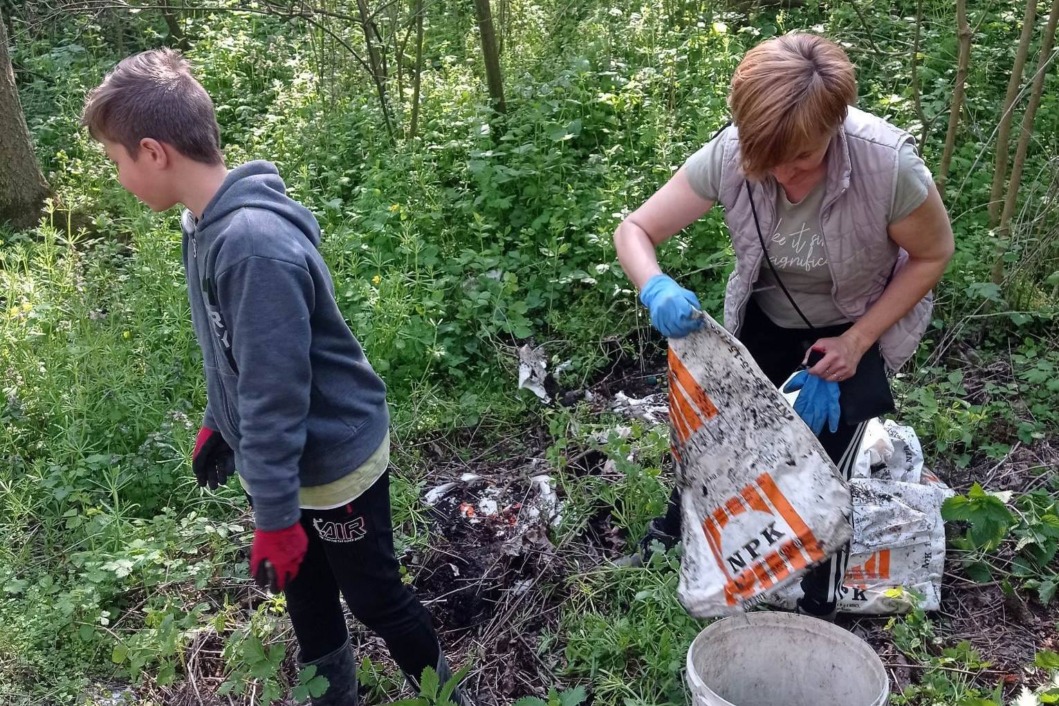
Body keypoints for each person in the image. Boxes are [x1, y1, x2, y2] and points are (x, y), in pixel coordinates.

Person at [82, 49, 472, 705]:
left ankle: (448, 696)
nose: (118, 177)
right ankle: (332, 696)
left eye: (116, 161)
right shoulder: (204, 226)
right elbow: (232, 350)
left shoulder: (251, 243)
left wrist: (274, 515)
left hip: (333, 459)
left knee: (374, 596)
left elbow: (275, 395)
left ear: (152, 151)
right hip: (288, 466)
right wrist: (219, 421)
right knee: (307, 594)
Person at [613, 32, 954, 619]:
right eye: (768, 162)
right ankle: (676, 532)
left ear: (835, 125)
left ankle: (816, 601)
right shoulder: (728, 155)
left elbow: (933, 254)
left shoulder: (887, 166)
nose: (788, 177)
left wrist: (856, 342)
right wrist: (655, 286)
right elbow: (634, 231)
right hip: (766, 320)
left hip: (852, 327)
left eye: (803, 159)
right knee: (721, 440)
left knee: (819, 468)